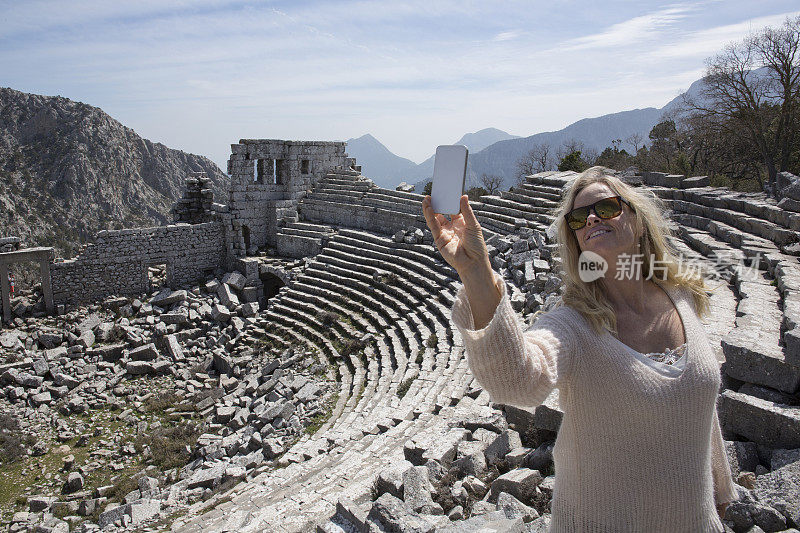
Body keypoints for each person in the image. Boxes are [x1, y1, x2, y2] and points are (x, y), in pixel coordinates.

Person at [421, 166, 738, 532]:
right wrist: (476, 271)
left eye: (605, 208)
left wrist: (719, 490)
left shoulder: (682, 297)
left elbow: (697, 402)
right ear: (576, 241)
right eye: (578, 218)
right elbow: (515, 380)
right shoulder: (575, 326)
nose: (590, 218)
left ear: (637, 220)